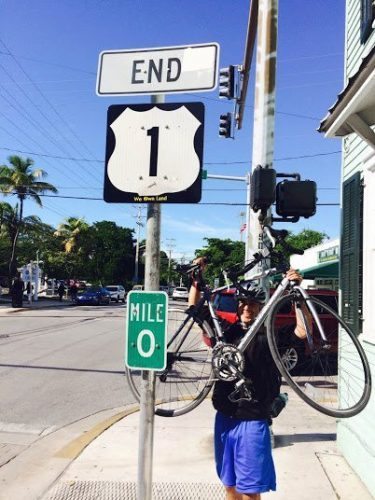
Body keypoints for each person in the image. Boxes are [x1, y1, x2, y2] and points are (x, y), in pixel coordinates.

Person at [188, 259, 309, 500]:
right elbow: (196, 310)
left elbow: (302, 332)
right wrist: (195, 279)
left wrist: (298, 296)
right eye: (243, 303)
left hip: (253, 420)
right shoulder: (226, 333)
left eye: (253, 304)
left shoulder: (269, 335)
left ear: (261, 307)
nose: (247, 308)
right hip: (224, 416)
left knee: (251, 490)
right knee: (230, 485)